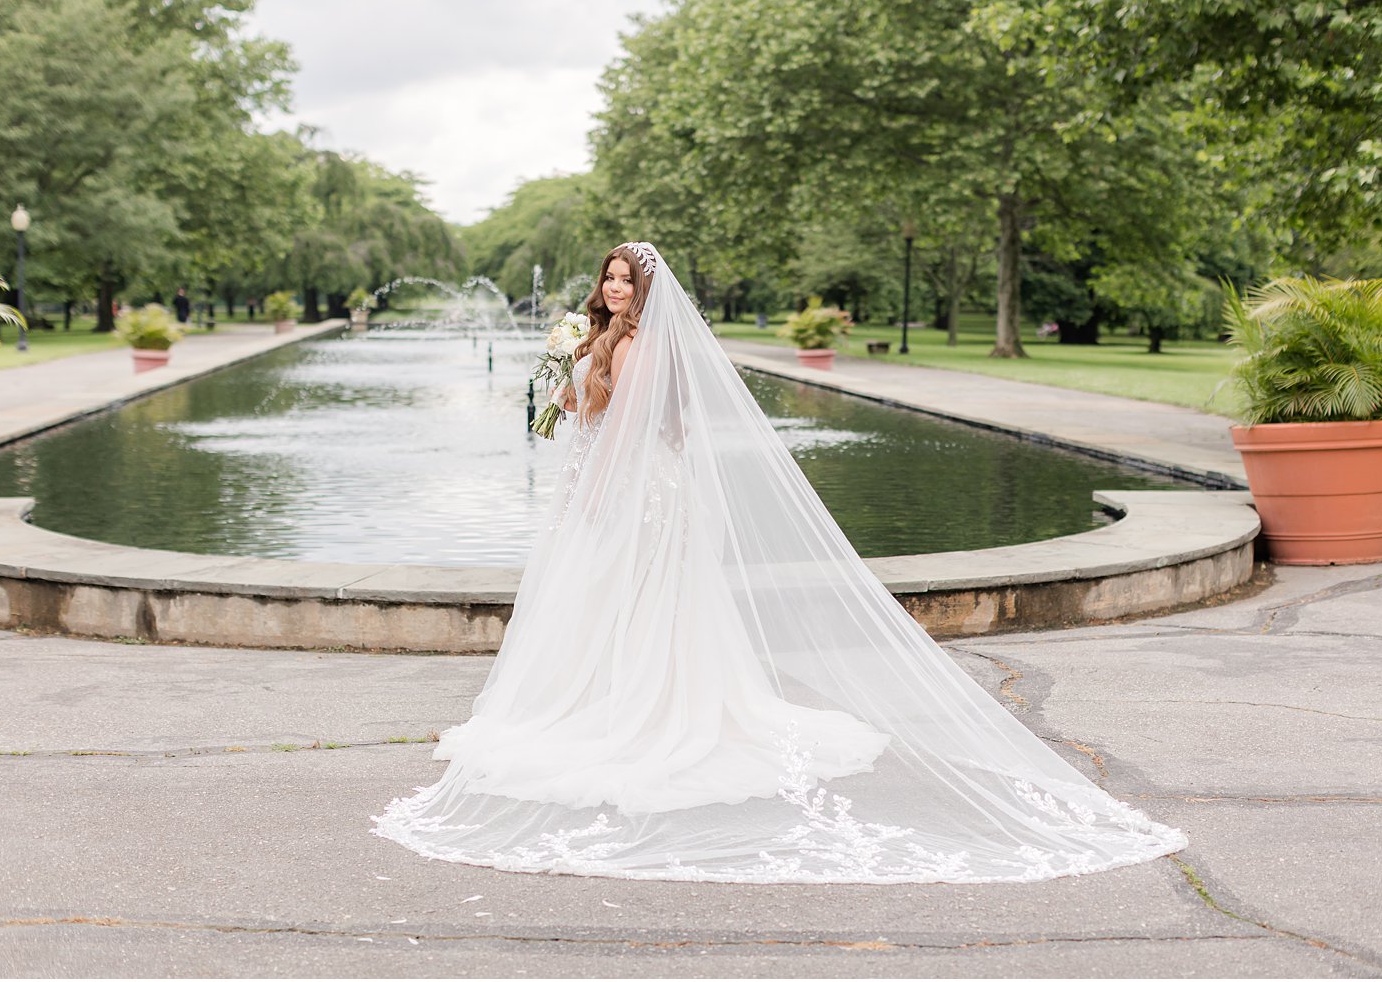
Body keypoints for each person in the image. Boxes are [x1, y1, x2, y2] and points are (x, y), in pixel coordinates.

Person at [372, 242, 1187, 883]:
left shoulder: (648, 344)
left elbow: (633, 432)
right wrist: (566, 385)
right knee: (602, 605)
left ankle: (640, 712)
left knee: (640, 601)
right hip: (605, 485)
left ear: (648, 292)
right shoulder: (600, 335)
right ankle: (596, 697)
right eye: (610, 277)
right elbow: (593, 411)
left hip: (635, 493)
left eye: (627, 280)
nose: (616, 287)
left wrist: (592, 483)